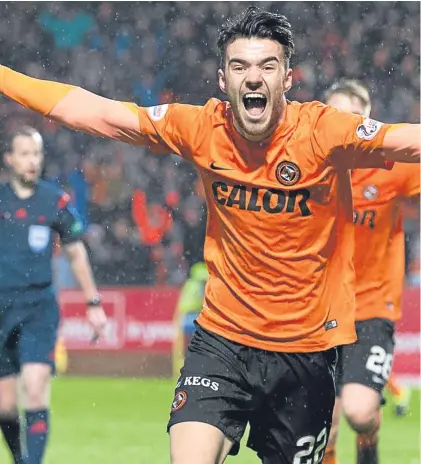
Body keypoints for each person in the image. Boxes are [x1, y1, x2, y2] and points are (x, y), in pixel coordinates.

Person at [0, 7, 419, 463]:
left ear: (288, 78)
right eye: (239, 66)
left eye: (267, 66)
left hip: (306, 352)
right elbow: (100, 114)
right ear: (223, 80)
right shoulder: (201, 127)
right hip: (223, 341)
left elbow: (404, 140)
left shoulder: (323, 130)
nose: (253, 78)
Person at [322, 80, 420, 464]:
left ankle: (369, 445)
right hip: (321, 310)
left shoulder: (391, 166)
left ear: (367, 120)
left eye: (350, 115)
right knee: (321, 422)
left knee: (359, 412)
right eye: (334, 115)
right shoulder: (313, 168)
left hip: (372, 308)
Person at [0, 126, 107, 464]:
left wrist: (93, 302)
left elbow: (76, 251)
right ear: (9, 159)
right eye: (26, 154)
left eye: (38, 154)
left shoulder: (54, 200)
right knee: (4, 405)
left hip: (38, 307)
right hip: (1, 306)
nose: (33, 161)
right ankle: (20, 458)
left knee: (34, 386)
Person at [172, 262, 208, 378]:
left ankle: (179, 372)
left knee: (183, 349)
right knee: (201, 347)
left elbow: (181, 302)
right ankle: (198, 371)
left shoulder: (189, 283)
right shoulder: (203, 284)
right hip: (197, 317)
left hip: (185, 317)